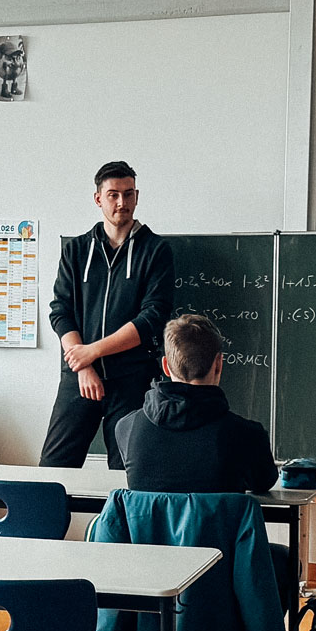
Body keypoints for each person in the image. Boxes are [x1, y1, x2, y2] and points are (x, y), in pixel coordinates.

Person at [39, 161, 174, 469]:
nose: (121, 202)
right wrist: (83, 364)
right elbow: (61, 310)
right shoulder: (76, 250)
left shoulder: (156, 250)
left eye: (128, 194)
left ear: (137, 196)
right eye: (113, 194)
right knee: (53, 468)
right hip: (78, 376)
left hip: (132, 380)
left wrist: (92, 352)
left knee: (128, 471)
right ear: (98, 199)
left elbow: (152, 317)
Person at [115, 313, 278, 494]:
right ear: (219, 364)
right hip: (216, 515)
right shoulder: (248, 435)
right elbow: (263, 482)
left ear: (166, 366)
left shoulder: (127, 428)